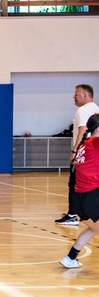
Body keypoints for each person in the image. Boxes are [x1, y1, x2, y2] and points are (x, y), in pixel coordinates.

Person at [59, 113, 99, 268]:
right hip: (92, 196)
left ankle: (70, 257)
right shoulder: (95, 142)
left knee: (93, 229)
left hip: (80, 199)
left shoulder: (84, 145)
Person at [56, 84, 99, 226]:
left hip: (85, 154)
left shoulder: (82, 110)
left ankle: (72, 214)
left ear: (86, 96)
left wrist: (75, 151)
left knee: (73, 184)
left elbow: (82, 131)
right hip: (94, 155)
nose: (74, 97)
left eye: (77, 94)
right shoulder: (96, 109)